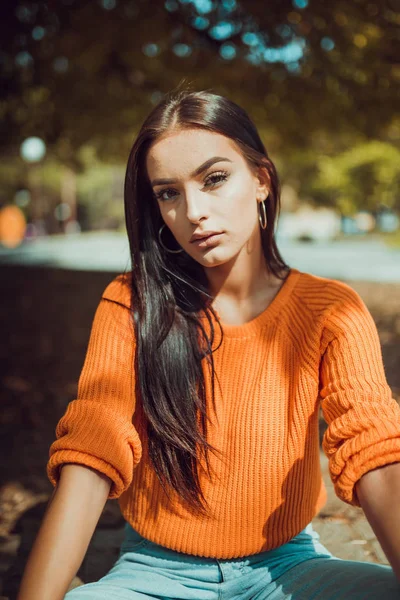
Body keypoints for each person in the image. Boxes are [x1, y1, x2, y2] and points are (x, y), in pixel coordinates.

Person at [17, 89, 400, 600]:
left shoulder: (332, 310)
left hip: (289, 568)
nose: (193, 210)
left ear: (261, 180)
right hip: (153, 574)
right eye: (168, 193)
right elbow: (92, 449)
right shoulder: (132, 304)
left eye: (214, 178)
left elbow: (375, 453)